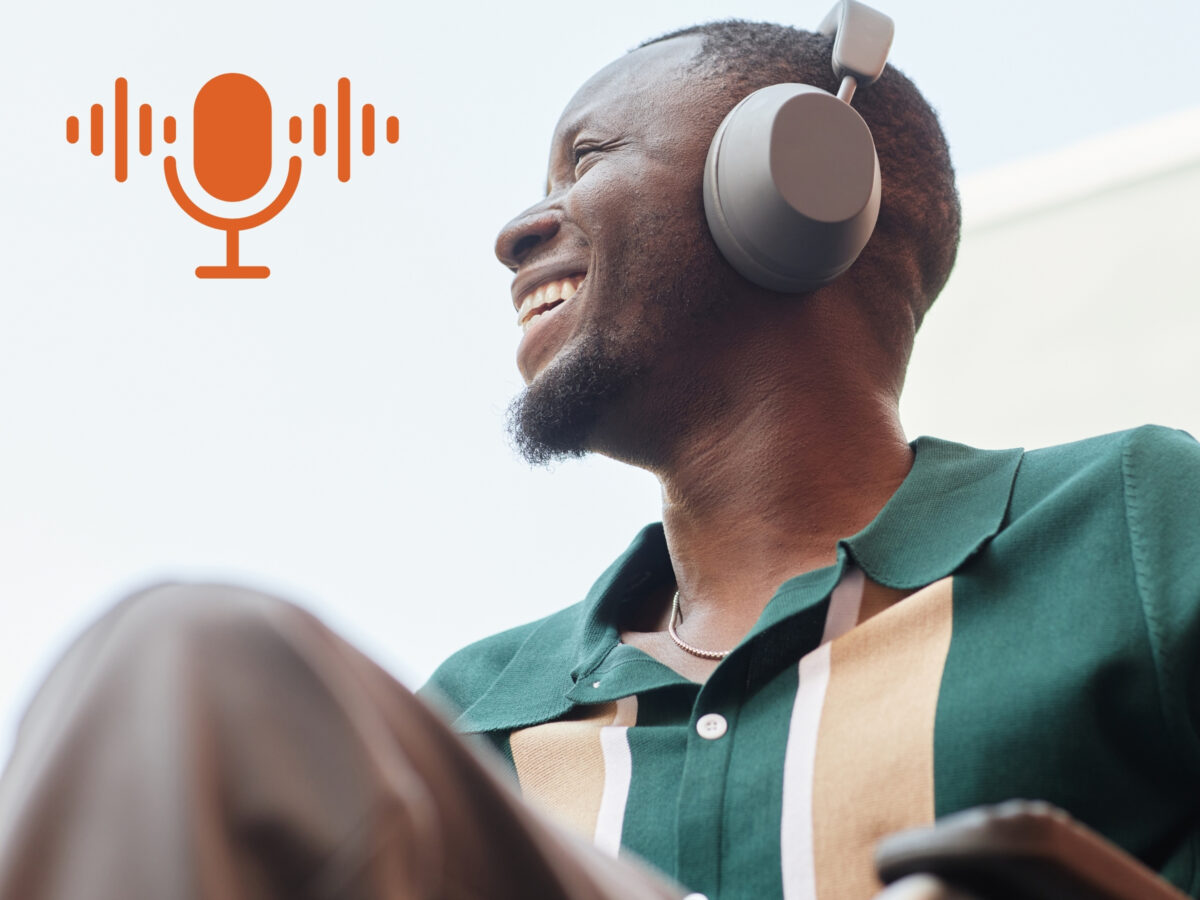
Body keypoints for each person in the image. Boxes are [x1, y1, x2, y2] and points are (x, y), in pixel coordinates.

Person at [2, 12, 1198, 900]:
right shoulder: (472, 719)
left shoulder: (1132, 526)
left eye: (587, 161)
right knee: (206, 686)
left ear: (802, 178)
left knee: (198, 654)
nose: (517, 230)